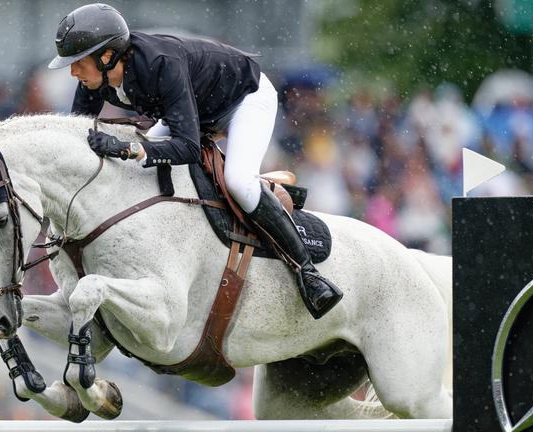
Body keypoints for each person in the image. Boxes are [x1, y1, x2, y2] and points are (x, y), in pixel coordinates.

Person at [48, 3, 342, 319]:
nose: (73, 72)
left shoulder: (161, 64)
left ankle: (308, 272)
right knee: (138, 157)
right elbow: (77, 134)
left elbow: (187, 148)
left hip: (244, 100)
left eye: (78, 63)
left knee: (239, 182)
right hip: (195, 110)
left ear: (106, 57)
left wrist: (127, 149)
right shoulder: (96, 78)